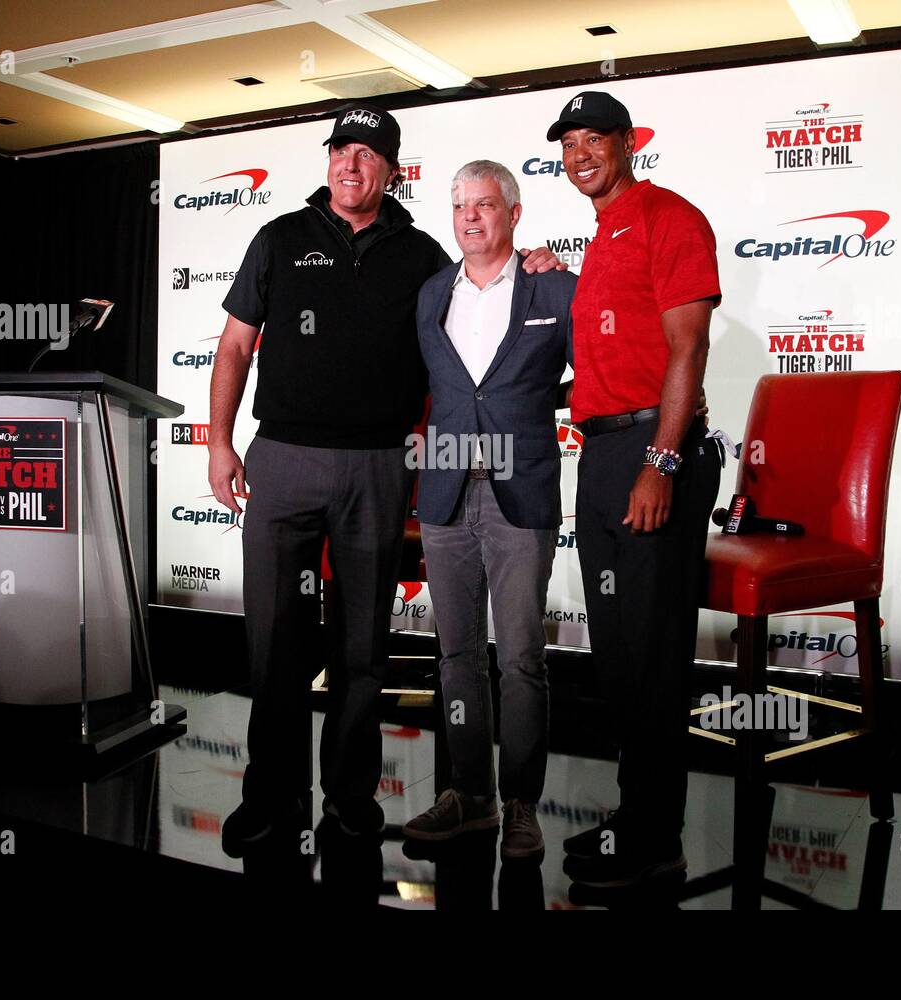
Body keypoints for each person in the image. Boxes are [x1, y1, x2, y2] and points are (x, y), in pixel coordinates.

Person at [208, 104, 562, 847]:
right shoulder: (278, 238)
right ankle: (268, 795)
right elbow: (236, 347)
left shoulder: (425, 256)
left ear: (392, 170)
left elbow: (485, 289)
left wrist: (539, 264)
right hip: (282, 459)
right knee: (274, 644)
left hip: (378, 466)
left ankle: (349, 797)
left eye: (367, 154)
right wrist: (218, 443)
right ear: (328, 160)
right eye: (340, 150)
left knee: (362, 650)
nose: (350, 164)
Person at [546, 91, 724, 886]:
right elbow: (617, 350)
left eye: (595, 139)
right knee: (619, 657)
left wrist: (664, 462)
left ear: (627, 144)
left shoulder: (669, 217)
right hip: (606, 454)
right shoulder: (604, 235)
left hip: (656, 454)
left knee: (653, 654)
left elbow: (689, 348)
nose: (580, 152)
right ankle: (637, 816)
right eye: (569, 141)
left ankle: (658, 841)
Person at [401, 161, 576, 860]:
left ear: (513, 211)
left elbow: (592, 377)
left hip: (520, 492)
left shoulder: (556, 287)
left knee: (523, 658)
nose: (471, 218)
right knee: (456, 656)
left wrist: (533, 405)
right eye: (460, 207)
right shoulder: (430, 293)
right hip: (443, 493)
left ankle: (521, 804)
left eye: (484, 205)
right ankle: (469, 795)